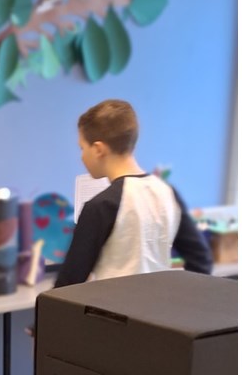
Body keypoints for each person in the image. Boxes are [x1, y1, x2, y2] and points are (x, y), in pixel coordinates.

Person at [54, 99, 214, 288]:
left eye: (82, 148)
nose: (81, 156)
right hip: (159, 305)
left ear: (98, 149)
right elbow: (201, 260)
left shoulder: (101, 206)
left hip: (112, 305)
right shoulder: (168, 194)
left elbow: (68, 283)